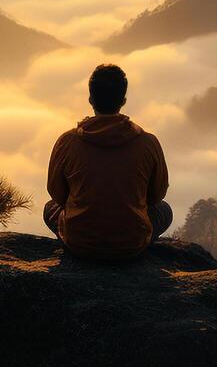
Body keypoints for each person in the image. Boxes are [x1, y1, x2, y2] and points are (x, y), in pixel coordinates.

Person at [44, 64, 171, 260]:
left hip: (80, 243)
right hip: (131, 244)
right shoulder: (148, 142)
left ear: (90, 100)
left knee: (49, 208)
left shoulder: (67, 142)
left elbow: (57, 194)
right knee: (164, 211)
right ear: (123, 100)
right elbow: (157, 195)